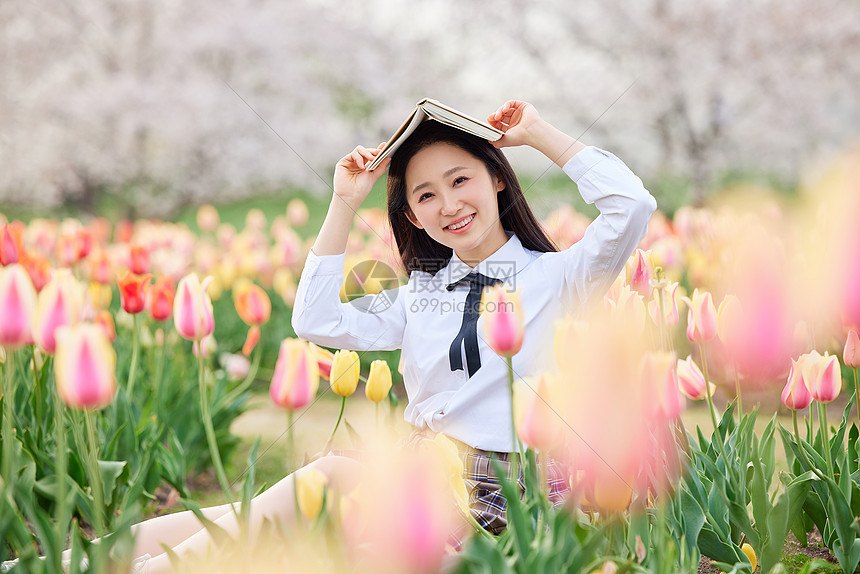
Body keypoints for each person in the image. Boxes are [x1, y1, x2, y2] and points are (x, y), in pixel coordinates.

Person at [2, 100, 656, 573]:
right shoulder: (423, 295)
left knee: (320, 483)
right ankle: (72, 562)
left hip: (497, 491)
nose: (448, 204)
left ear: (496, 180)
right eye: (425, 196)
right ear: (413, 217)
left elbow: (632, 206)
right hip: (420, 470)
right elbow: (315, 320)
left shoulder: (559, 277)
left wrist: (541, 134)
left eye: (460, 180)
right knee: (259, 508)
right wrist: (344, 202)